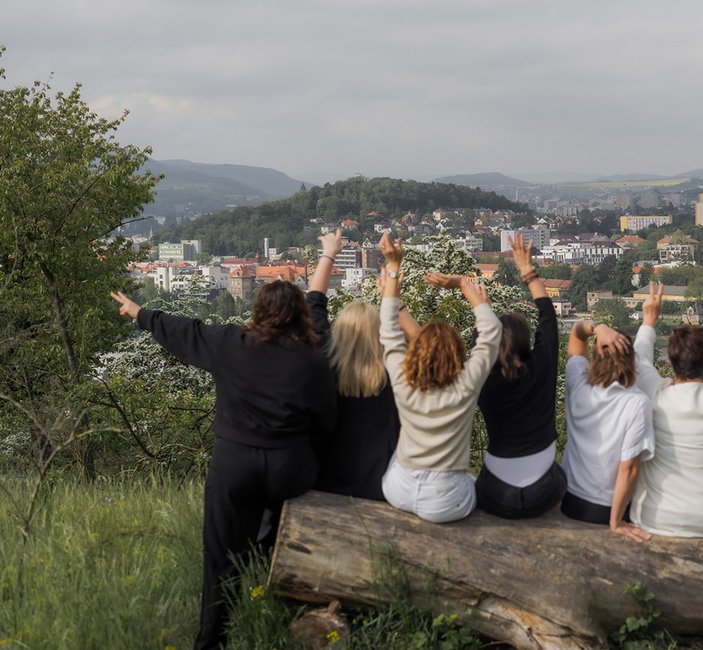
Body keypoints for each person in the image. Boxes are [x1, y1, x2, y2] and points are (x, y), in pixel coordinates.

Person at [111, 282, 337, 650]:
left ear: (260, 310)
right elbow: (326, 420)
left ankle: (213, 639)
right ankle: (277, 605)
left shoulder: (232, 343)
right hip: (290, 467)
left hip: (235, 464)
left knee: (220, 554)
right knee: (281, 540)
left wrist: (140, 314)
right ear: (299, 314)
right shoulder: (311, 360)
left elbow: (186, 332)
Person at [377, 232, 500, 523]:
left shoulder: (404, 381)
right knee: (473, 484)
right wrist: (461, 283)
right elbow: (492, 332)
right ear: (458, 354)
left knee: (395, 456)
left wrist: (393, 269)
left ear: (416, 352)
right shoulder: (466, 386)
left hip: (399, 491)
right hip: (447, 500)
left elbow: (389, 332)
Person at [630, 269, 703, 537]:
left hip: (656, 518)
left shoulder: (656, 395)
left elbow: (638, 360)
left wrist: (649, 319)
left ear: (671, 361)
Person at [473, 234, 567, 518]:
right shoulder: (542, 367)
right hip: (543, 491)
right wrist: (528, 270)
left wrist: (483, 309)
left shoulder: (482, 380)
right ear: (527, 342)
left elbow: (481, 346)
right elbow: (548, 319)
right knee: (562, 474)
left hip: (496, 493)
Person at [306, 229, 404, 501]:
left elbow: (314, 302)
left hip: (327, 483)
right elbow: (424, 343)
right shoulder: (393, 370)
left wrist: (329, 252)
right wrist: (393, 297)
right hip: (381, 486)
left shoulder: (325, 358)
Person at [559, 319, 655, 541]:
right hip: (604, 509)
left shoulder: (578, 385)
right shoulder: (636, 402)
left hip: (570, 501)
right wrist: (616, 521)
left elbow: (576, 335)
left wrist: (598, 328)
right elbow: (628, 467)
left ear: (596, 357)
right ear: (630, 360)